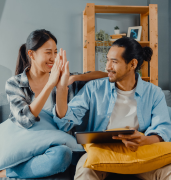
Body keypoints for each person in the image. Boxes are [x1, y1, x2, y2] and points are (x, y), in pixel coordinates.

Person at [54, 37, 171, 180]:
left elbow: (163, 130)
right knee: (85, 171)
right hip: (102, 153)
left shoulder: (154, 93)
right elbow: (65, 122)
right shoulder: (94, 88)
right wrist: (61, 89)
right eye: (107, 60)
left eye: (114, 62)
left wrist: (143, 140)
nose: (107, 67)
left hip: (140, 153)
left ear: (132, 64)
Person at [0, 29, 108, 178]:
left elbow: (105, 75)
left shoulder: (63, 79)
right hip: (28, 148)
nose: (53, 58)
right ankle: (8, 173)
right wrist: (50, 85)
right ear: (31, 54)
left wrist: (75, 78)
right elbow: (25, 120)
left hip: (56, 148)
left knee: (63, 154)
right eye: (48, 52)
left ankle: (14, 173)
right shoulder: (15, 83)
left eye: (55, 52)